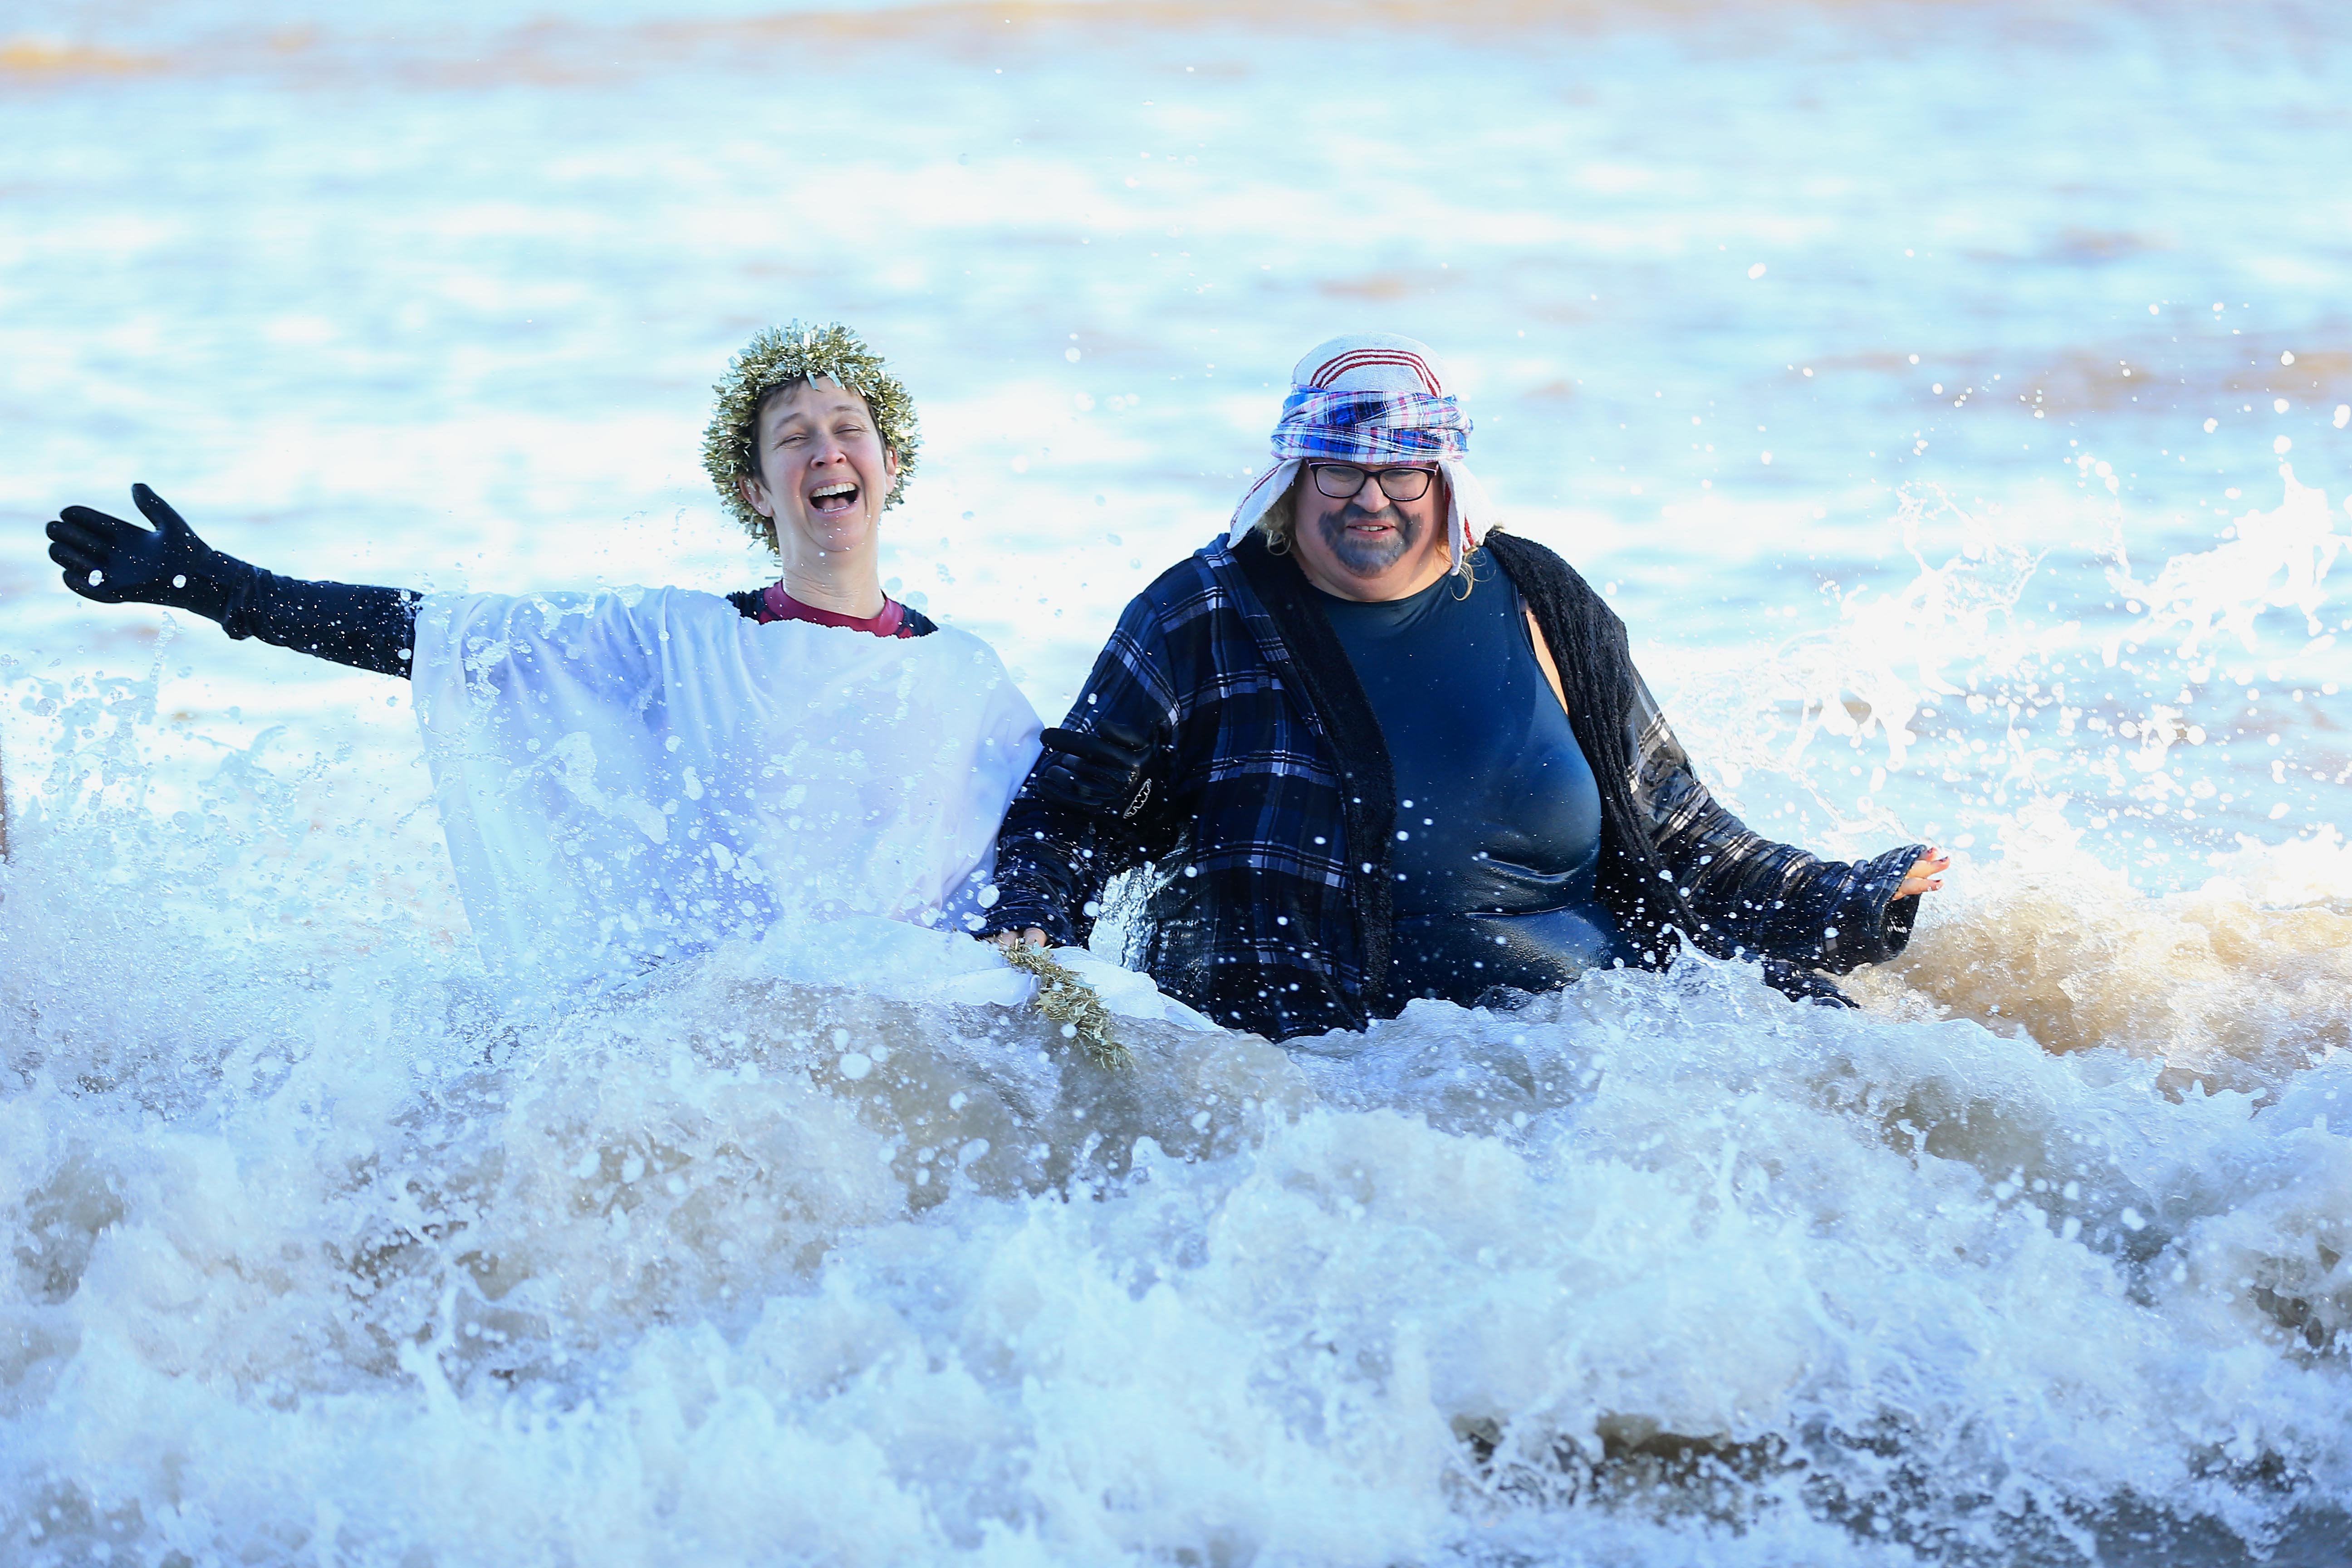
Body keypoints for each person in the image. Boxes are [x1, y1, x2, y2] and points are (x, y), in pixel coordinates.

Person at [982, 333, 1948, 1040]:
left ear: (1445, 476)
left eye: (1404, 471)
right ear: (1292, 476)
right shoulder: (1199, 613)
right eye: (1339, 469)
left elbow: (1680, 829)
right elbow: (1075, 812)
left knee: (1874, 1072)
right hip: (1325, 1069)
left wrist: (1847, 893)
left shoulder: (1543, 598)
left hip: (1600, 1053)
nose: (1371, 497)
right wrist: (1033, 924)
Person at [44, 322, 1041, 1001]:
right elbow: (444, 636)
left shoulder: (969, 680)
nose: (826, 450)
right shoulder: (680, 641)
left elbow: (1061, 848)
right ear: (754, 487)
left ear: (889, 465)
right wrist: (225, 588)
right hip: (730, 1042)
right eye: (794, 438)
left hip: (900, 1048)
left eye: (847, 430)